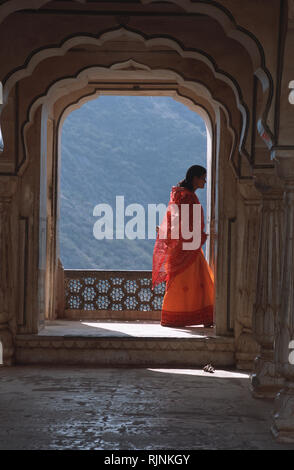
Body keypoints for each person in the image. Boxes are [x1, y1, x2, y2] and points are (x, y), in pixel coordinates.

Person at [152, 165, 214, 327]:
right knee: (196, 282)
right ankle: (186, 317)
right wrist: (200, 236)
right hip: (188, 247)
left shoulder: (181, 195)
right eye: (203, 177)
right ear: (194, 178)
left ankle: (177, 317)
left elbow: (175, 221)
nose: (205, 181)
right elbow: (185, 224)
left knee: (186, 283)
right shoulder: (188, 197)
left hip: (182, 246)